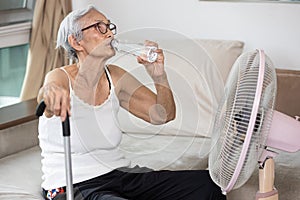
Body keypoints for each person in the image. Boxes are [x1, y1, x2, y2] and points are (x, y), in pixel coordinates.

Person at [37, 5, 226, 200]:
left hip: (120, 175)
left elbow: (163, 115)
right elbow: (47, 93)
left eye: (109, 26)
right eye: (99, 27)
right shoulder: (60, 77)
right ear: (76, 41)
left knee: (207, 184)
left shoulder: (115, 76)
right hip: (72, 184)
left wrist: (158, 76)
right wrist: (51, 92)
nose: (109, 32)